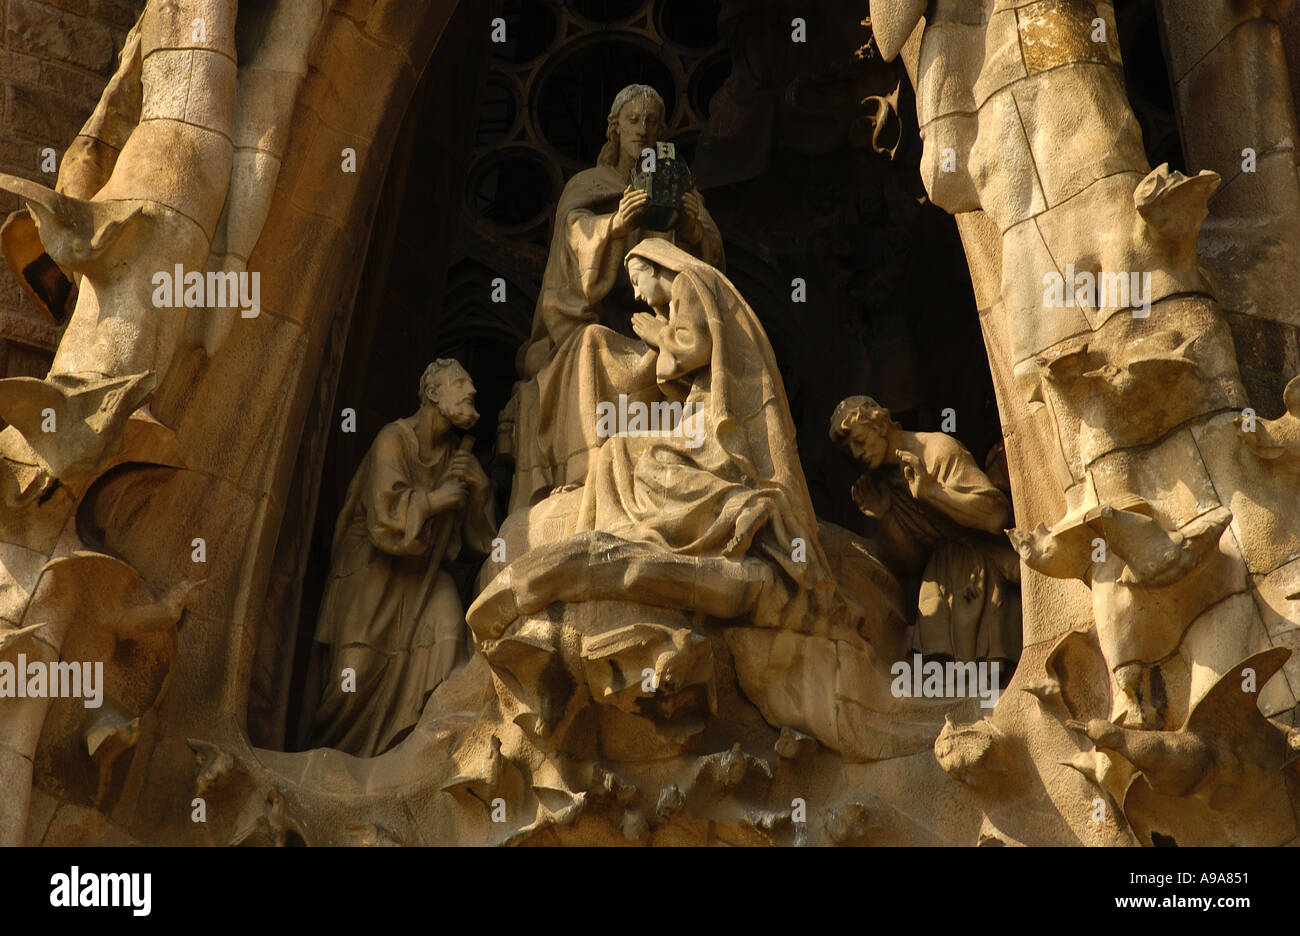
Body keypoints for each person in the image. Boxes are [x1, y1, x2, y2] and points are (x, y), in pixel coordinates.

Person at [566, 237, 838, 632]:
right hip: (707, 406)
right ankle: (616, 537)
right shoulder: (688, 288)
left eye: (638, 281)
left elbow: (696, 346)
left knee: (634, 453)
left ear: (657, 266)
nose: (638, 295)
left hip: (719, 415)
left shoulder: (688, 283)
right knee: (621, 450)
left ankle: (736, 507)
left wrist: (657, 335)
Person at [508, 84, 724, 510]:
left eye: (652, 122)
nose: (642, 130)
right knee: (589, 343)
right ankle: (586, 472)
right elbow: (574, 251)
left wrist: (695, 230)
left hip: (665, 329)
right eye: (633, 120)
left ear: (661, 132)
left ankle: (670, 469)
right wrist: (615, 226)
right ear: (615, 128)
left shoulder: (678, 186)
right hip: (597, 323)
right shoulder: (588, 185)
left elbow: (710, 272)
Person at [309, 360, 496, 757]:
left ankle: (428, 754)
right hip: (374, 570)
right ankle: (337, 763)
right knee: (354, 677)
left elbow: (483, 545)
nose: (472, 391)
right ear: (432, 393)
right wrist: (433, 500)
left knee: (451, 639)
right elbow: (384, 518)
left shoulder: (457, 458)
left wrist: (479, 490)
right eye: (461, 382)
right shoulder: (392, 439)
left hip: (427, 572)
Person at [829, 396, 1021, 664]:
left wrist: (933, 493)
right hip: (940, 577)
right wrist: (884, 516)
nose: (857, 453)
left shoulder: (937, 450)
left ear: (881, 426)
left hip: (985, 565)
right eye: (850, 450)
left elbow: (995, 516)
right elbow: (911, 564)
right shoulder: (885, 484)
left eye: (859, 441)